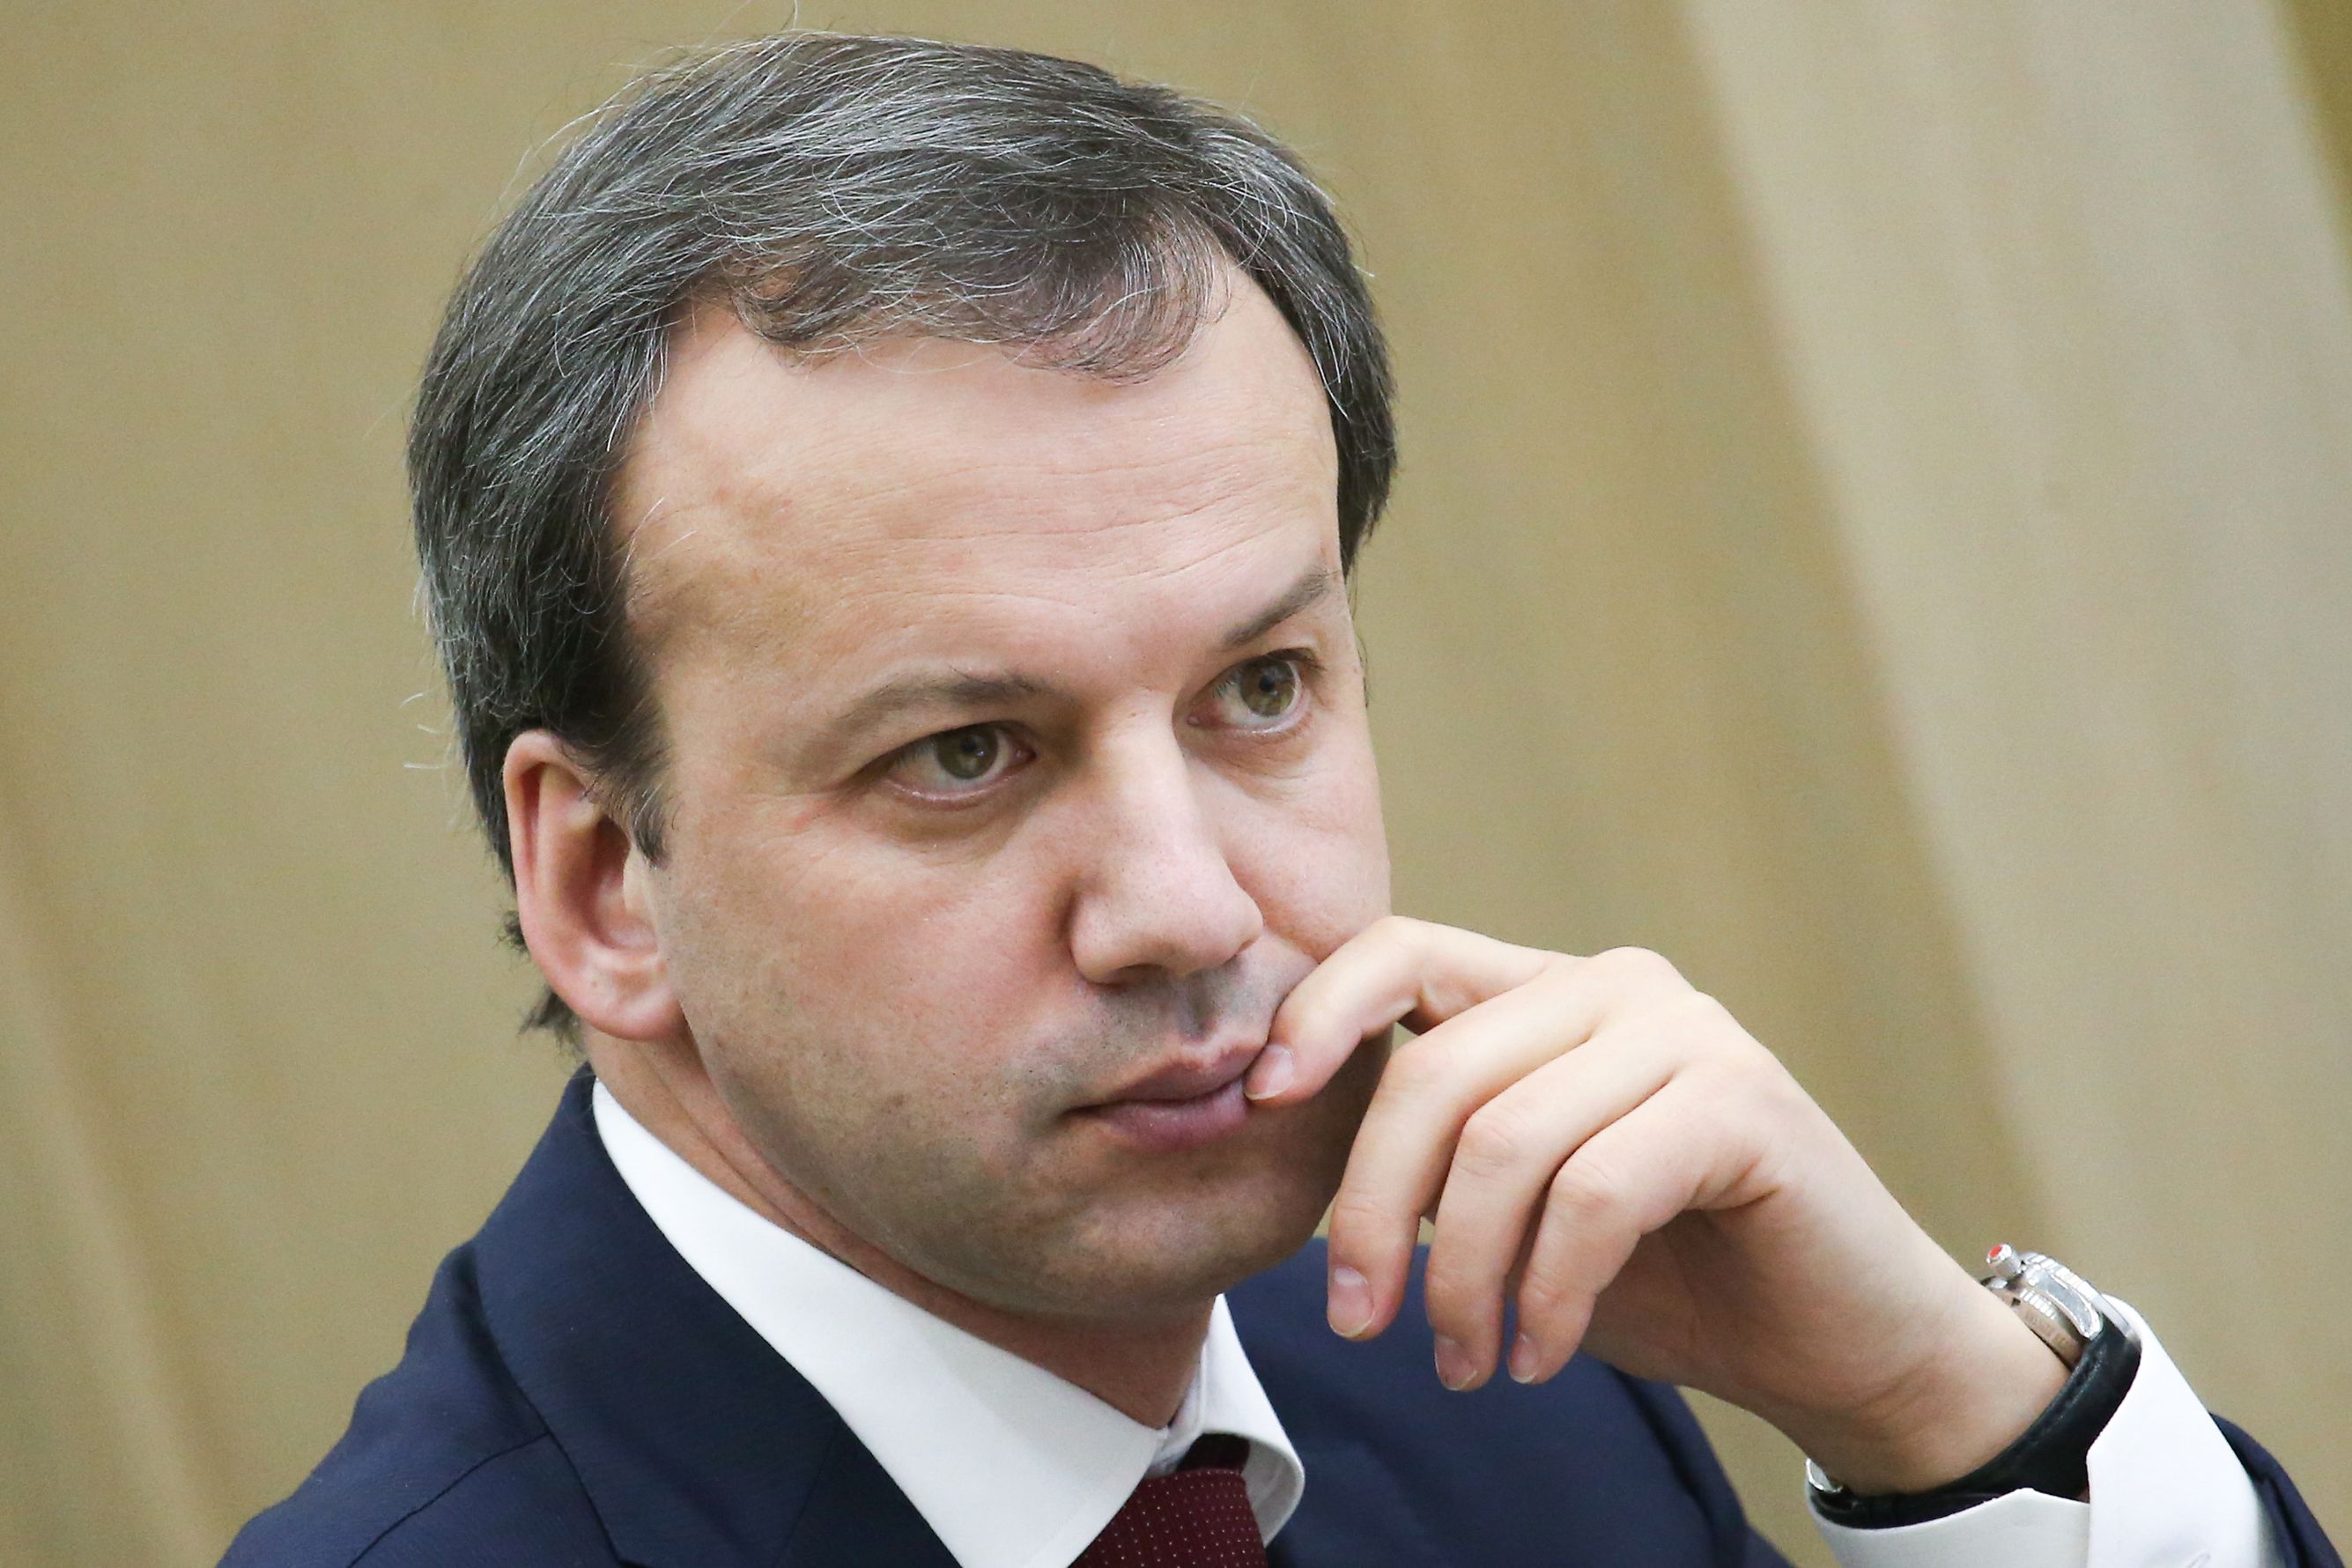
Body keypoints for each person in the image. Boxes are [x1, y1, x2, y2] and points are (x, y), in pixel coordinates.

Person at [224, 31, 2335, 1568]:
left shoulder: (1507, 1379)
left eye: (1259, 690)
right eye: (964, 752)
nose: (1185, 903)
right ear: (606, 879)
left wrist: (1940, 1407)